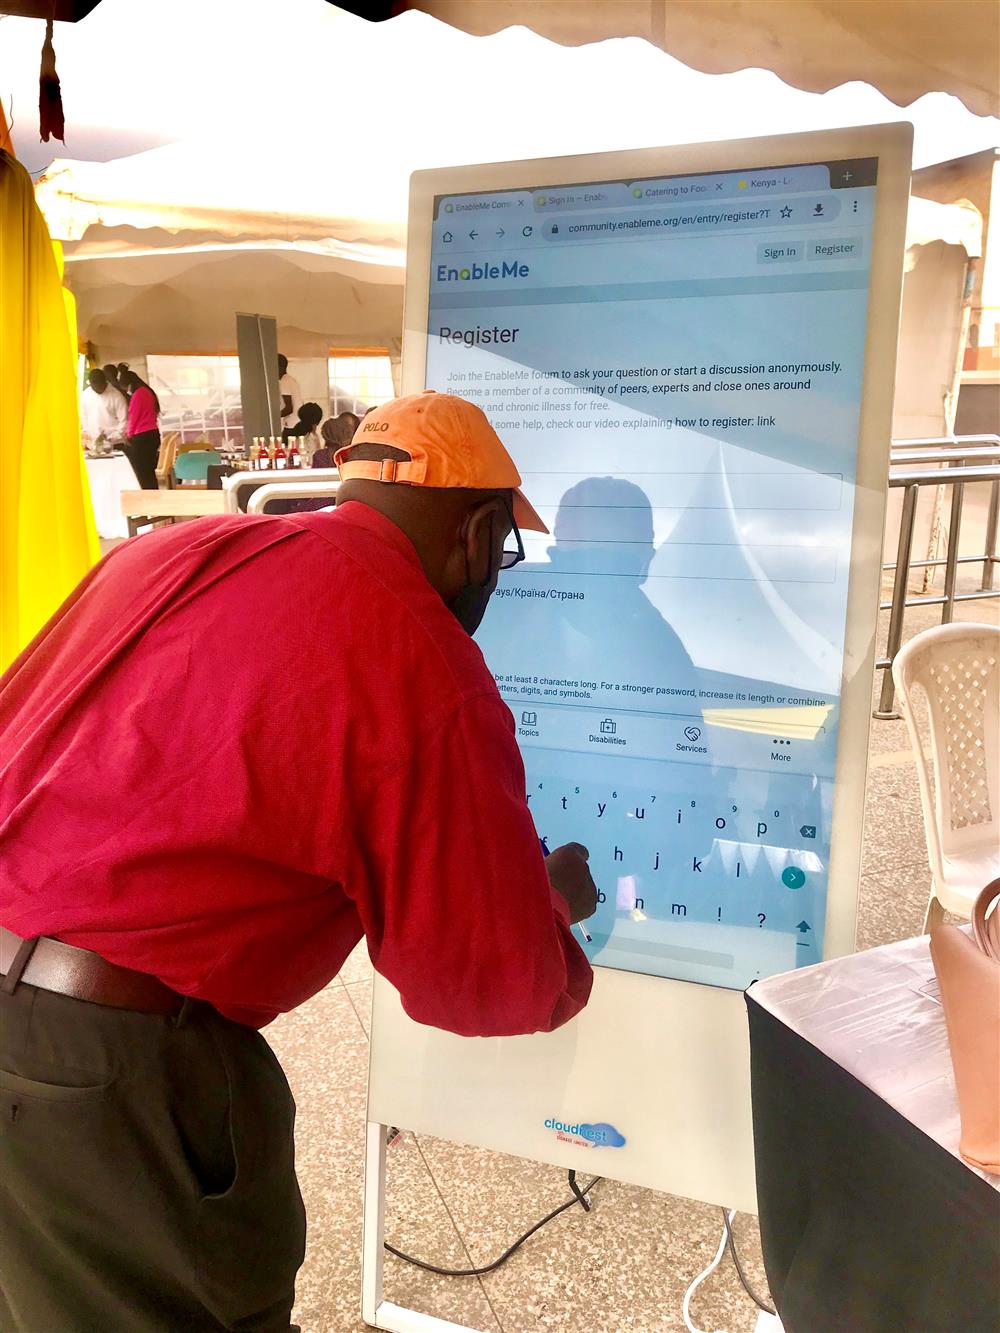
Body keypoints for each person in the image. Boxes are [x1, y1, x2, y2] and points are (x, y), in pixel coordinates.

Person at [0, 390, 597, 1333]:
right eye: (505, 555)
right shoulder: (418, 650)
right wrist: (552, 903)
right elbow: (484, 980)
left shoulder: (165, 554)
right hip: (119, 1079)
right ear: (479, 536)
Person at [120, 369, 161, 490]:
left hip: (142, 436)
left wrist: (129, 434)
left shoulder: (138, 394)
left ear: (129, 384)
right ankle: (153, 494)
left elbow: (133, 416)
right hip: (152, 433)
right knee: (149, 471)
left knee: (141, 471)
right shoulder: (148, 391)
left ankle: (146, 495)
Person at [79, 367, 127, 446]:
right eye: (93, 386)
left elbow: (124, 421)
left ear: (105, 382)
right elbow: (84, 416)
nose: (96, 389)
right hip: (93, 443)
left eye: (99, 386)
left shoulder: (117, 396)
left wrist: (112, 437)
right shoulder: (86, 395)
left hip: (115, 443)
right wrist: (86, 432)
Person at [277, 354, 302, 436]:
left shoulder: (284, 382)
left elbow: (289, 408)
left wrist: (272, 417)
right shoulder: (290, 380)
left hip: (292, 425)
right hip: (296, 423)